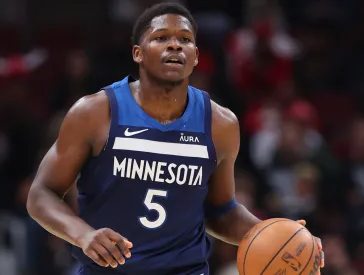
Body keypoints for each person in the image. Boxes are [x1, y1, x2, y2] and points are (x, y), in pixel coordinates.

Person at [26, 3, 324, 275]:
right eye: (161, 37)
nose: (174, 44)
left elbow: (219, 212)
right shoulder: (95, 113)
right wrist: (83, 234)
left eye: (184, 39)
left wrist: (281, 237)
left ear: (195, 56)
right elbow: (41, 194)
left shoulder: (220, 124)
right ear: (137, 53)